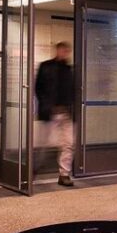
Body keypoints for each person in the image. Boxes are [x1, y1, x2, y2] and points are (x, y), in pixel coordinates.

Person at [35, 40, 75, 186]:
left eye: (67, 51)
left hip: (66, 113)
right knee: (43, 143)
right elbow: (38, 88)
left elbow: (74, 90)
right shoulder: (45, 66)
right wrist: (46, 105)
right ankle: (34, 169)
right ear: (57, 51)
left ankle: (64, 174)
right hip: (50, 112)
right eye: (63, 50)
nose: (65, 53)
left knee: (68, 143)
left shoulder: (70, 70)